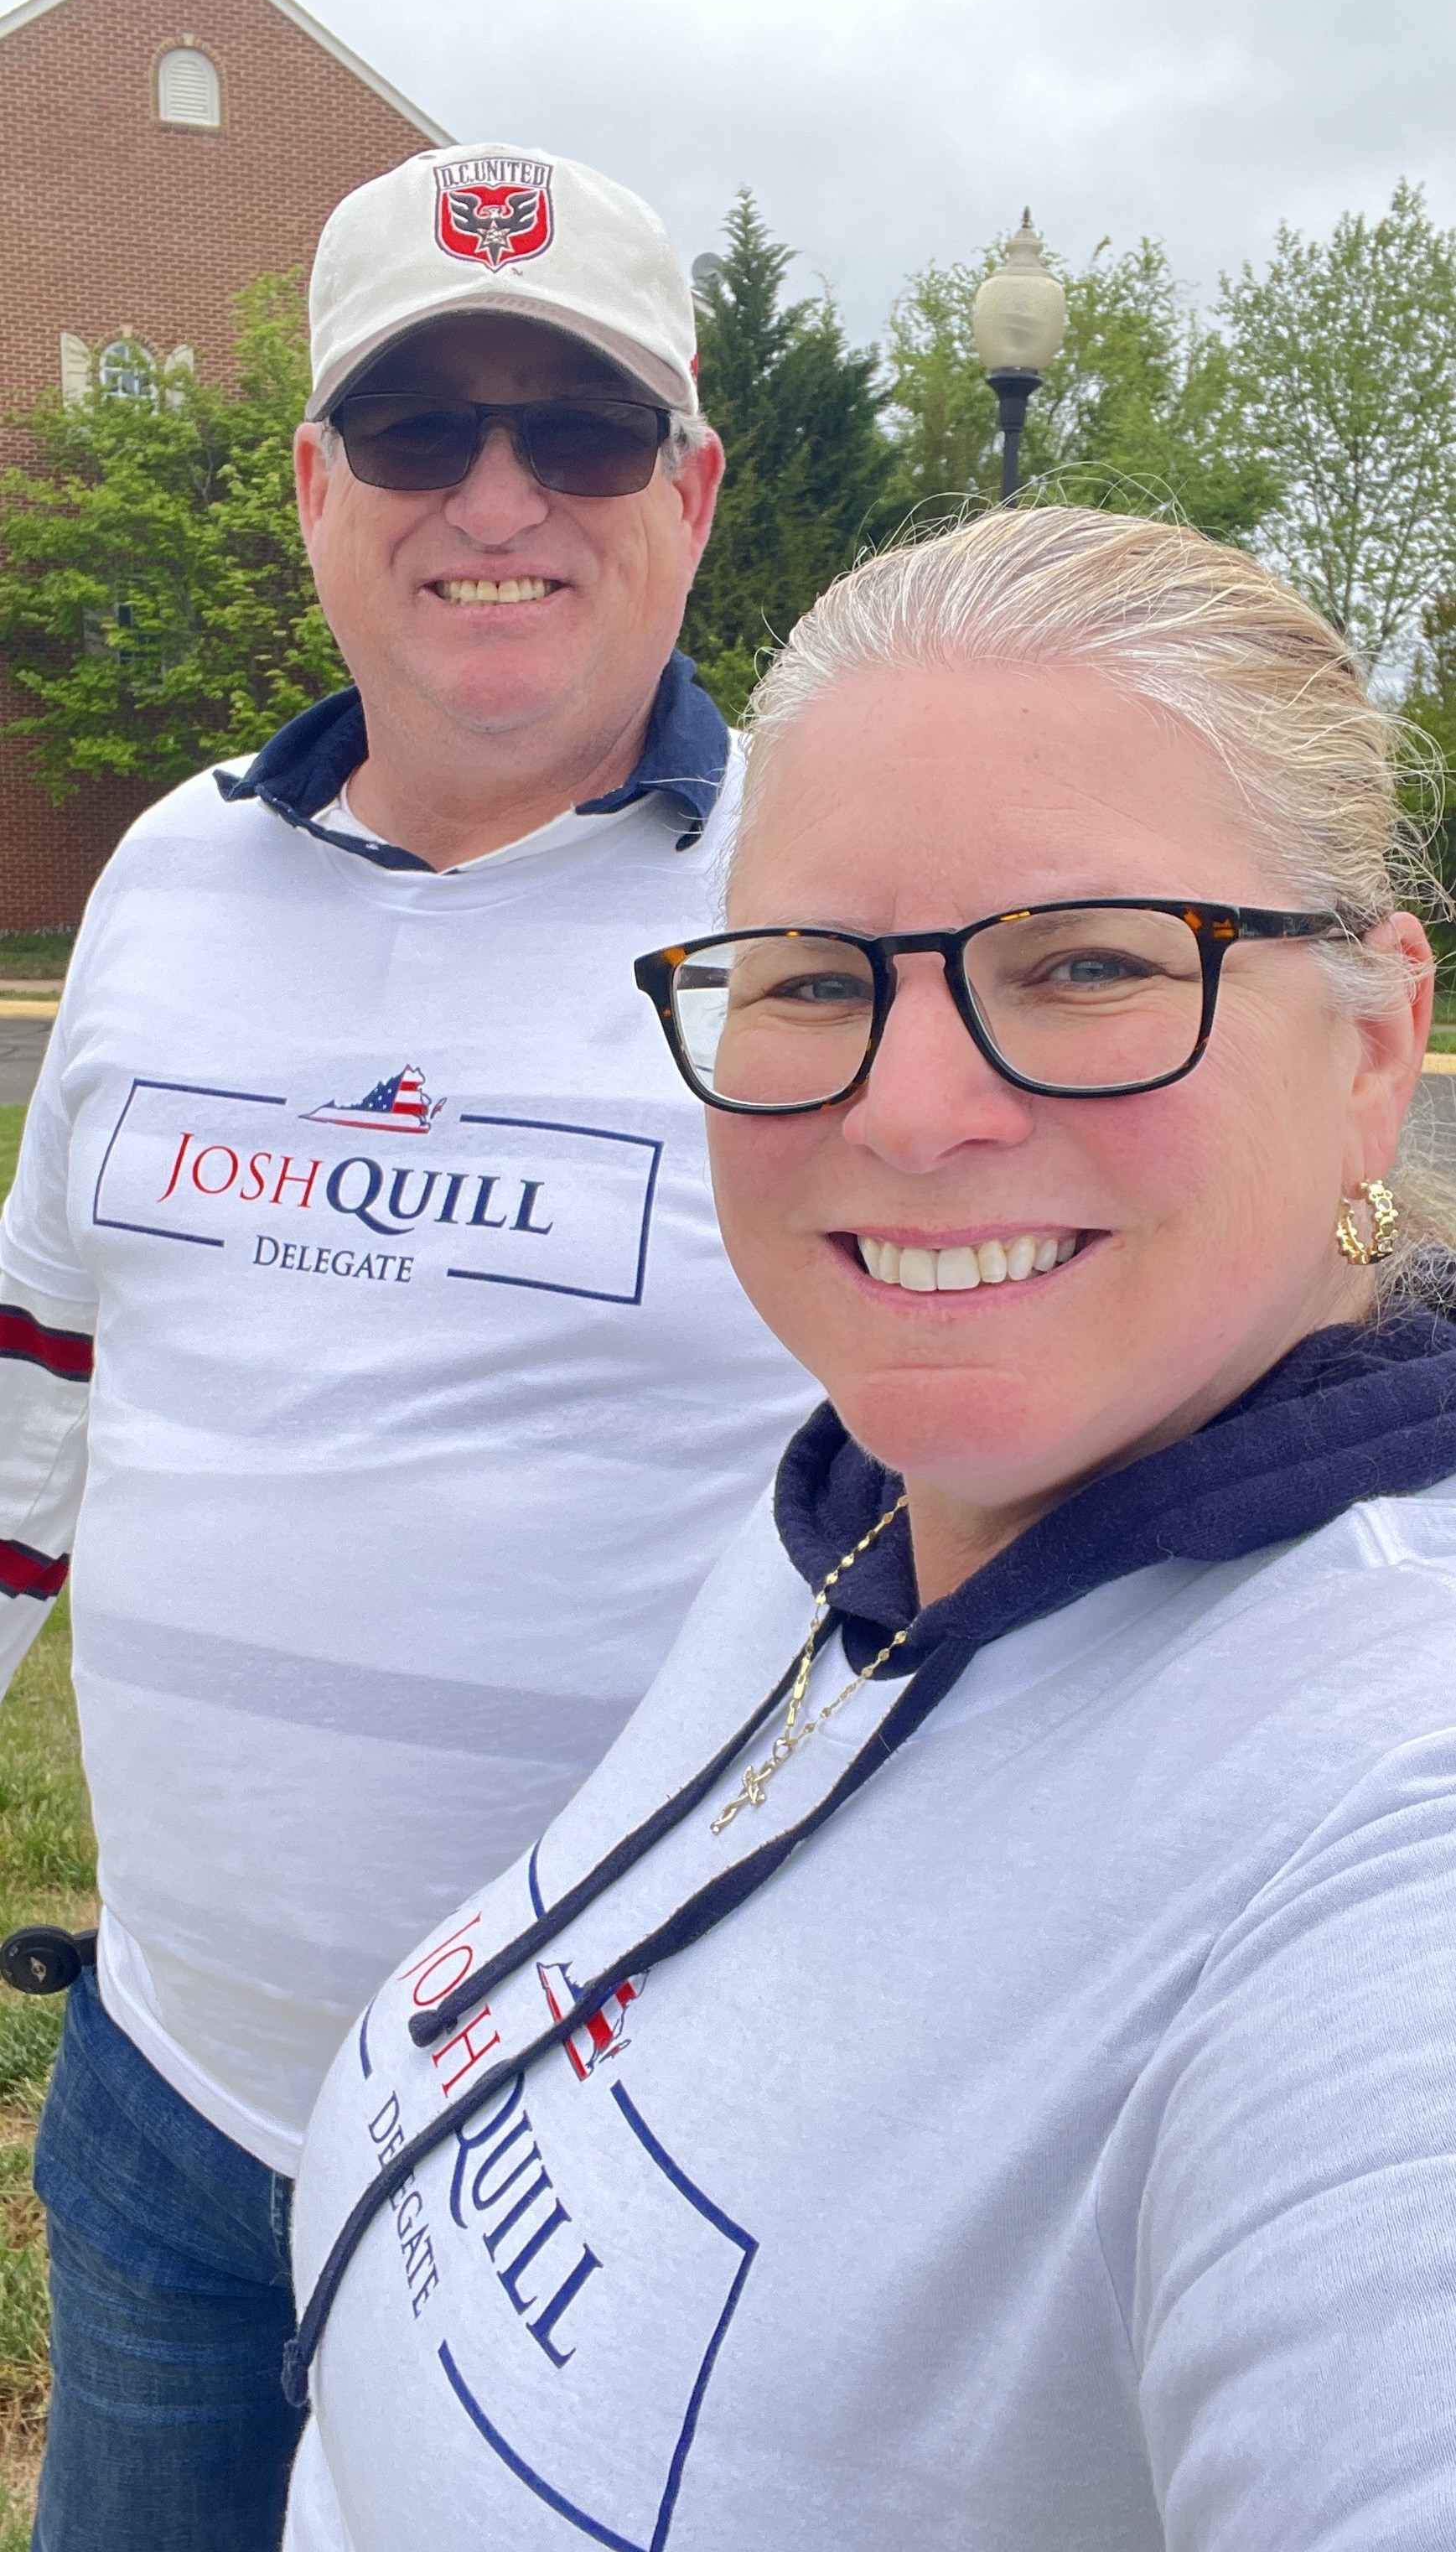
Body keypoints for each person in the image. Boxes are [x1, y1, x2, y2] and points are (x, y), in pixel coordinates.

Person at [284, 506, 1456, 2552]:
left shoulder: (1388, 1805)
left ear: (1368, 1047)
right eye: (816, 978)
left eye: (1087, 962)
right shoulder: (858, 1517)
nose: (909, 1112)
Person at [2, 144, 814, 2550]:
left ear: (690, 492)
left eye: (578, 432)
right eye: (417, 426)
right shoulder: (164, 871)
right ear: (310, 490)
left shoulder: (837, 906)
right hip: (169, 2101)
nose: (496, 497)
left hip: (632, 2151)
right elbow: (40, 1360)